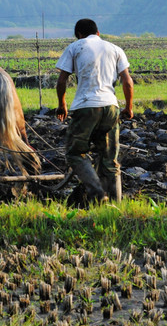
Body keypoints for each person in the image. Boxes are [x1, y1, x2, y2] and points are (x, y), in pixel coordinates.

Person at [55, 18, 134, 204]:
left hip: (85, 106)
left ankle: (97, 192)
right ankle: (116, 205)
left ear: (80, 35)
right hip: (111, 107)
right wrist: (129, 107)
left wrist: (62, 104)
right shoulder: (115, 49)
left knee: (75, 153)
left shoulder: (75, 47)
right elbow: (127, 82)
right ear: (98, 32)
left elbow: (61, 81)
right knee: (110, 161)